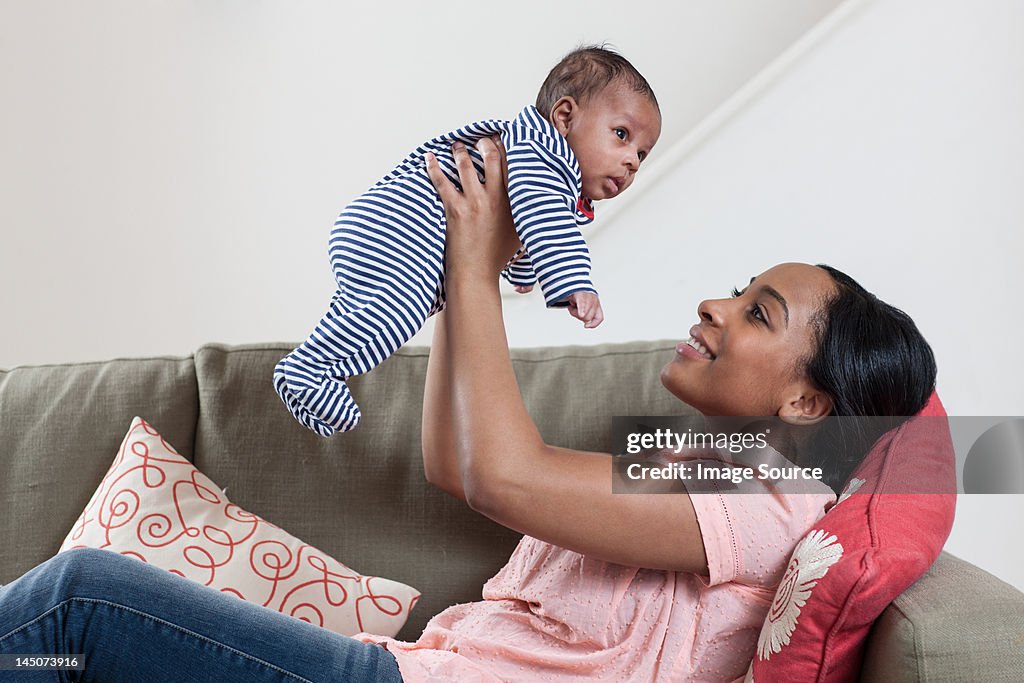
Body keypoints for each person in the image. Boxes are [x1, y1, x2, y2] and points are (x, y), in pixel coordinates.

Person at [0, 140, 936, 682]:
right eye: (738, 288)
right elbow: (460, 467)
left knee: (79, 596)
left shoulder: (766, 490)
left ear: (806, 401)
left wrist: (478, 262)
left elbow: (502, 471)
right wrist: (459, 270)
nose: (714, 305)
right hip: (399, 667)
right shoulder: (693, 463)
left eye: (757, 311)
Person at [273, 46, 662, 436]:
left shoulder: (538, 165)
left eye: (642, 155)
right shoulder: (544, 156)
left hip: (383, 232)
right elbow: (543, 218)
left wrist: (521, 270)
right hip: (401, 231)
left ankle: (302, 383)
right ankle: (309, 368)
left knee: (364, 316)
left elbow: (528, 221)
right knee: (398, 312)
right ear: (564, 117)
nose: (631, 161)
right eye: (621, 135)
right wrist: (575, 283)